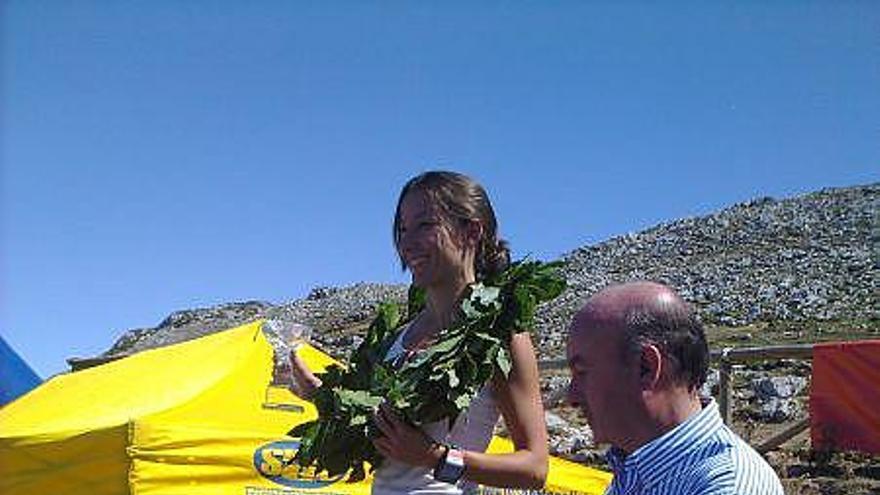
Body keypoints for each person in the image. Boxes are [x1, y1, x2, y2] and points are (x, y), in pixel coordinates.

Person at [290, 171, 548, 494]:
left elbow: (535, 468)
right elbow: (376, 433)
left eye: (425, 225)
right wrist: (319, 394)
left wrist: (435, 458)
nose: (407, 242)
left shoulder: (499, 336)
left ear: (471, 231)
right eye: (402, 229)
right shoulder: (398, 336)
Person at [566, 281, 784, 495]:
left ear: (646, 367)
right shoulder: (638, 468)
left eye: (582, 372)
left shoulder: (729, 486)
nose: (571, 396)